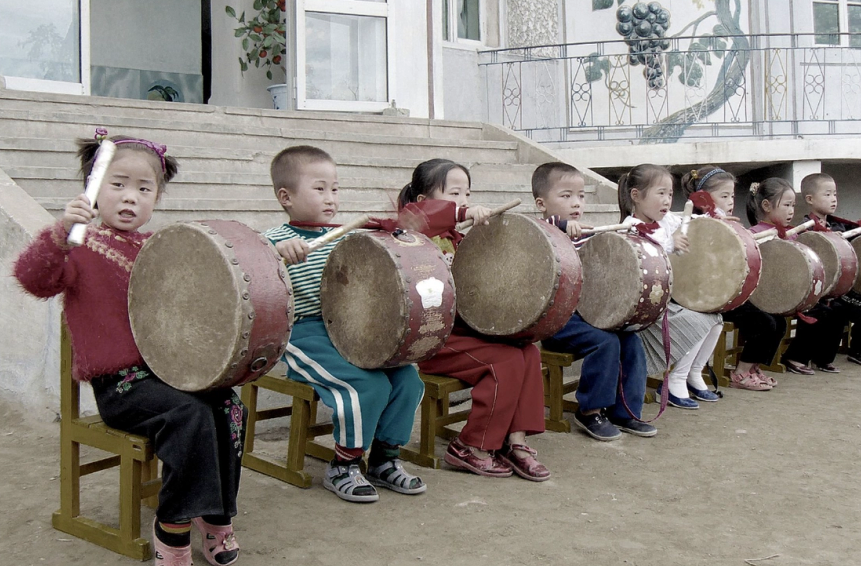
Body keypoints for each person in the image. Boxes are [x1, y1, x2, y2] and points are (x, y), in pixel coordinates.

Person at [14, 130, 243, 566]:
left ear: (157, 196)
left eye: (144, 188)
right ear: (92, 190)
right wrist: (60, 232)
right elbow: (33, 279)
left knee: (228, 404)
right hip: (122, 386)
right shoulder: (77, 245)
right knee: (188, 416)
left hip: (171, 373)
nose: (129, 198)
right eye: (117, 184)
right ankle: (173, 529)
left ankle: (216, 512)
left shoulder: (164, 248)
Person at [264, 145, 426, 503]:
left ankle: (384, 458)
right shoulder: (272, 241)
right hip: (302, 332)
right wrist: (277, 256)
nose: (330, 198)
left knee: (407, 379)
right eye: (319, 189)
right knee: (366, 387)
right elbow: (246, 271)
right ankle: (344, 465)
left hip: (349, 327)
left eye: (334, 189)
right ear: (285, 197)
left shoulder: (347, 236)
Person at [397, 158, 550, 482]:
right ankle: (471, 445)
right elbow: (413, 219)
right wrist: (461, 213)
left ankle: (515, 441)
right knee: (505, 361)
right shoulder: (411, 235)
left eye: (467, 193)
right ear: (423, 201)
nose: (464, 201)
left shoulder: (458, 240)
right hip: (435, 340)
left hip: (465, 334)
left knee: (528, 350)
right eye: (455, 193)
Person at [533, 162, 656, 440]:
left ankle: (625, 412)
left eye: (581, 196)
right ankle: (589, 411)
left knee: (630, 339)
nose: (576, 203)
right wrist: (564, 226)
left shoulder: (585, 234)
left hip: (585, 317)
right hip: (557, 322)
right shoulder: (542, 233)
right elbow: (545, 228)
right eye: (565, 196)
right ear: (541, 203)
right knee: (606, 342)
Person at [618, 164, 724, 409]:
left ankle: (693, 374)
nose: (667, 200)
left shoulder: (665, 220)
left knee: (715, 319)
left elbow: (693, 221)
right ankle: (673, 381)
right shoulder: (629, 226)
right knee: (699, 321)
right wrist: (670, 242)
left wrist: (713, 217)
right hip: (646, 310)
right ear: (636, 196)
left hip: (664, 302)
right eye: (661, 193)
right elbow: (650, 251)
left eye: (670, 194)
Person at [682, 167, 780, 391]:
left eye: (732, 196)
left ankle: (752, 366)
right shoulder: (695, 224)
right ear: (704, 197)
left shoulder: (729, 222)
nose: (730, 201)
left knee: (774, 319)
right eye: (724, 196)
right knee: (763, 323)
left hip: (728, 291)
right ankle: (741, 372)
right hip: (707, 294)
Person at [747, 177, 846, 375]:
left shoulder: (792, 234)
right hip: (766, 295)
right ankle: (794, 357)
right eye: (786, 205)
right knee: (815, 313)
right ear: (766, 205)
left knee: (835, 310)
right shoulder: (754, 234)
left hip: (789, 293)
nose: (792, 210)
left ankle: (821, 357)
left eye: (793, 205)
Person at [801, 172, 861, 367]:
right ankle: (858, 350)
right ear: (810, 199)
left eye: (835, 194)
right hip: (826, 291)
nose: (833, 199)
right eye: (827, 194)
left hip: (844, 286)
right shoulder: (805, 229)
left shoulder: (838, 225)